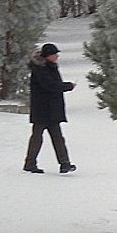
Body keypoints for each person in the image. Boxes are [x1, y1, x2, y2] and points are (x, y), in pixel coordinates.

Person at [23, 43, 76, 174]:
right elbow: (50, 85)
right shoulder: (40, 69)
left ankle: (65, 164)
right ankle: (30, 163)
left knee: (57, 137)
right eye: (54, 54)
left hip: (51, 109)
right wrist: (68, 86)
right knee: (37, 137)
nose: (57, 56)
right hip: (42, 109)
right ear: (47, 56)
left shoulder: (49, 67)